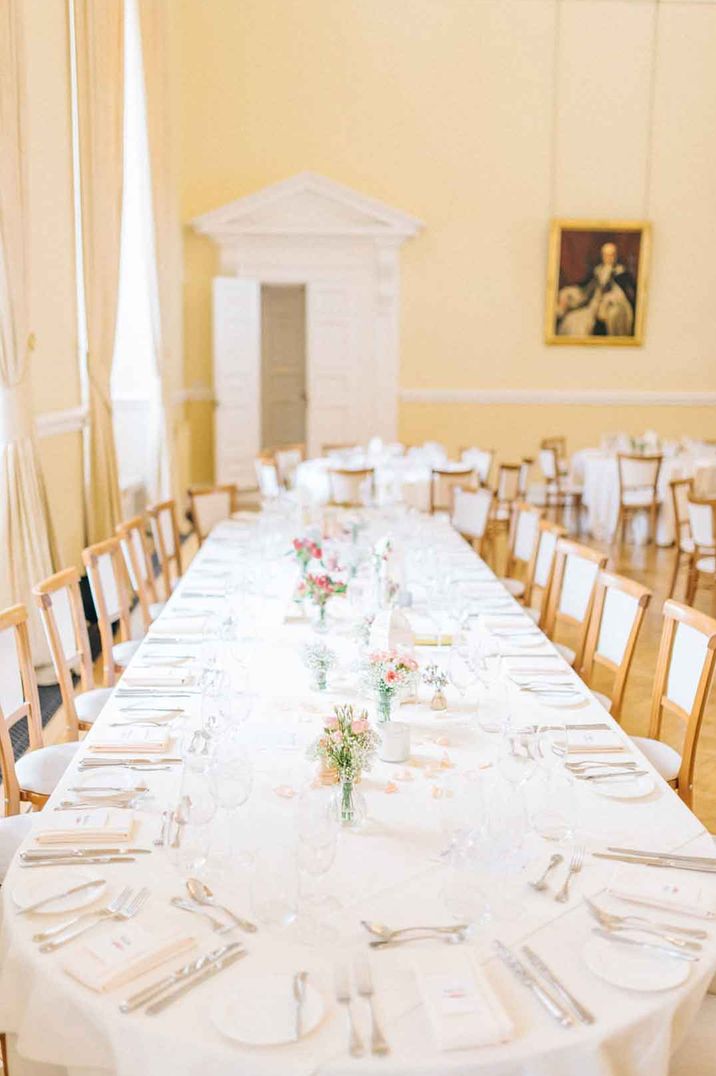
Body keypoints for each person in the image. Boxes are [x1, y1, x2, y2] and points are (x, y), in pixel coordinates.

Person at [556, 241, 636, 337]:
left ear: (615, 256)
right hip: (594, 306)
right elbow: (587, 289)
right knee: (572, 321)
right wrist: (569, 292)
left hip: (612, 305)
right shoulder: (598, 270)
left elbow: (628, 294)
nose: (608, 258)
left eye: (611, 255)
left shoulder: (621, 272)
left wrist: (609, 299)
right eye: (606, 255)